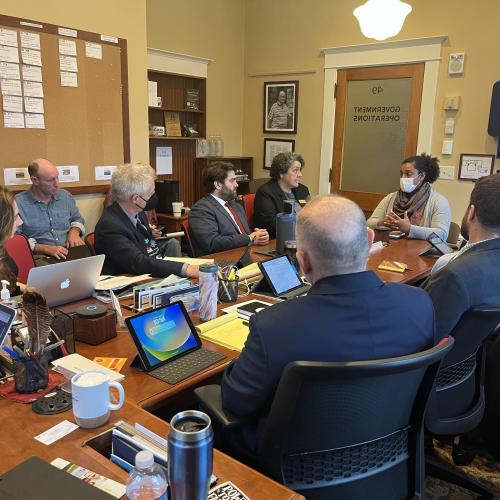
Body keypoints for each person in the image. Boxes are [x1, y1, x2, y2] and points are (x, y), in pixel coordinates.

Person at [221, 195, 436, 451]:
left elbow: (236, 402)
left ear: (302, 262)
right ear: (369, 241)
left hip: (293, 470)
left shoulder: (273, 327)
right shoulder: (420, 303)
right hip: (389, 450)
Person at [423, 174, 500, 339]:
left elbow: (424, 336)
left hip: (437, 361)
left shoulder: (454, 274)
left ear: (471, 212)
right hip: (475, 358)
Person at [94, 163, 198, 278]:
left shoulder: (139, 213)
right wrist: (184, 269)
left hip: (150, 274)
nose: (154, 196)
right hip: (130, 285)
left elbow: (148, 248)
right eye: (151, 193)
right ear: (136, 199)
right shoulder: (109, 226)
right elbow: (138, 262)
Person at [189, 162, 269, 255]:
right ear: (218, 184)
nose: (236, 185)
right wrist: (250, 238)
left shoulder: (235, 205)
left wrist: (259, 236)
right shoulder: (201, 210)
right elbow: (211, 243)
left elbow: (246, 235)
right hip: (223, 262)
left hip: (247, 254)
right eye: (232, 181)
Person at [367, 153, 451, 241]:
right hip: (390, 248)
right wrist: (382, 222)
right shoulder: (391, 197)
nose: (403, 178)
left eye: (408, 174)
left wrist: (409, 229)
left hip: (418, 252)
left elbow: (441, 234)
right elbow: (369, 223)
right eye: (401, 174)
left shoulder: (438, 201)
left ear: (422, 175)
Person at [16, 158, 86, 260]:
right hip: (40, 257)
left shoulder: (65, 196)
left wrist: (74, 232)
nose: (57, 184)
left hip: (70, 252)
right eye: (50, 180)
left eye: (57, 178)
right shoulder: (19, 203)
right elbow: (15, 239)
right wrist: (44, 248)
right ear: (35, 180)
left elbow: (78, 219)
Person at [254, 152, 310, 238]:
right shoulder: (265, 192)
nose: (300, 175)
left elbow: (310, 214)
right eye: (295, 170)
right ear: (281, 173)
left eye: (300, 170)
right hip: (278, 240)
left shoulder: (303, 190)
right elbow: (271, 224)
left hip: (303, 237)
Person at [0, 187, 24, 295]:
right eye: (15, 217)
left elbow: (5, 285)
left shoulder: (2, 249)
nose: (20, 222)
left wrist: (27, 289)